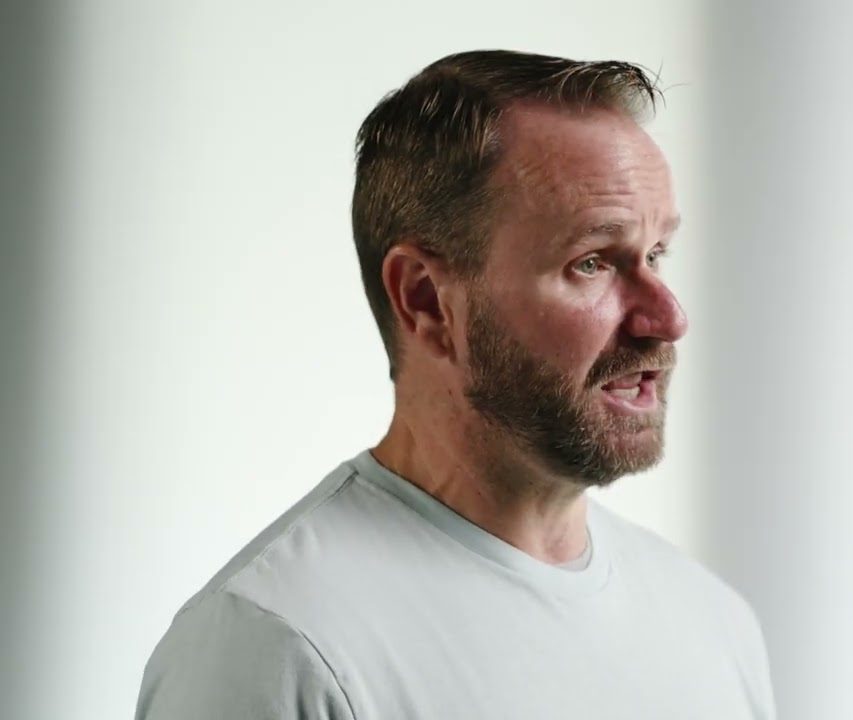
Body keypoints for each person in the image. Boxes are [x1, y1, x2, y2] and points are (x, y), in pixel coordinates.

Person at [134, 50, 775, 719]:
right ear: (426, 301)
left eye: (656, 254)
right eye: (592, 262)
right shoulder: (279, 645)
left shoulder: (713, 627)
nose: (667, 318)